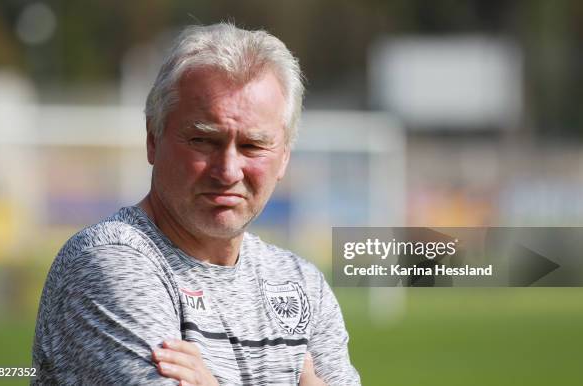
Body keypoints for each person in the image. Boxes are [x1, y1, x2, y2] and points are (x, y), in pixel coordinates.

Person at [32, 22, 361, 385]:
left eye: (252, 145)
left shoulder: (301, 284)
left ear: (284, 157)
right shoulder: (111, 263)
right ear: (153, 139)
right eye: (203, 141)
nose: (228, 171)